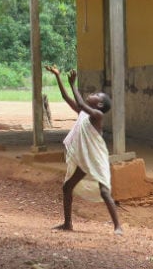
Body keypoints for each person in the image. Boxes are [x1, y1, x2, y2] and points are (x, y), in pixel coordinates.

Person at [44, 65, 123, 235]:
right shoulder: (83, 113)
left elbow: (80, 102)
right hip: (84, 158)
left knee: (104, 191)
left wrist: (73, 84)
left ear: (100, 104)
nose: (91, 94)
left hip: (97, 158)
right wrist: (58, 77)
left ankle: (118, 226)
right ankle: (67, 223)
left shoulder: (97, 116)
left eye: (95, 95)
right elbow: (66, 97)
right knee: (67, 187)